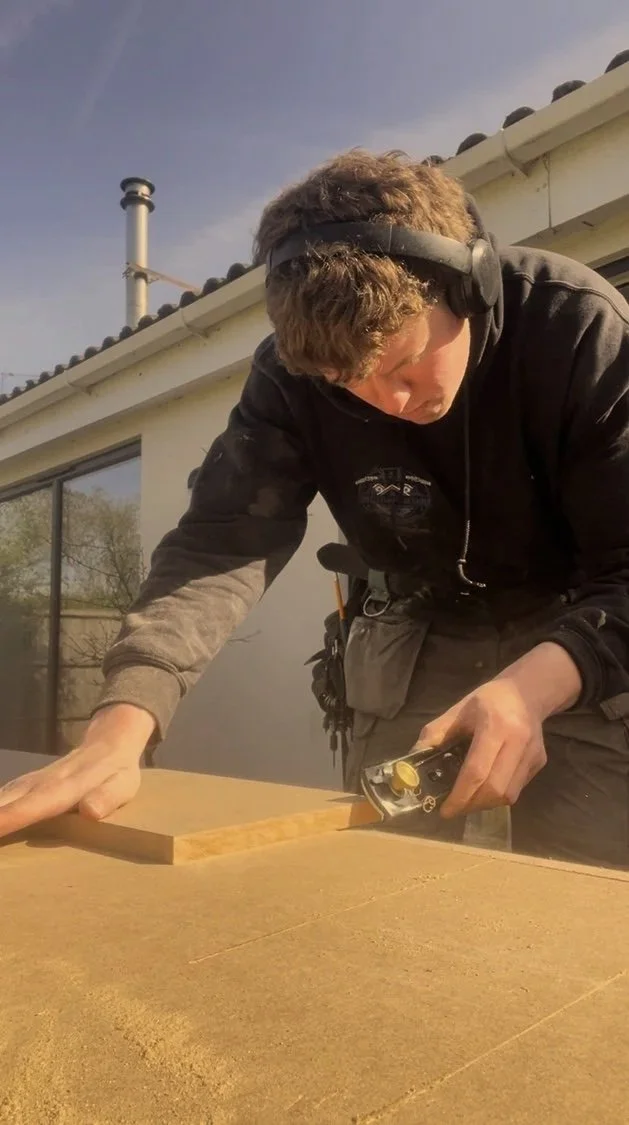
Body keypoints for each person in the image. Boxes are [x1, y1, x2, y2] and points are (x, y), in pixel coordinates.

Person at [2, 149, 629, 868]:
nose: (388, 405)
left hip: (582, 631)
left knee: (584, 883)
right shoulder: (290, 377)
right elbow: (218, 543)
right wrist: (118, 730)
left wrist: (532, 685)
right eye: (345, 383)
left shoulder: (578, 327)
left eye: (400, 365)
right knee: (383, 881)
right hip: (415, 630)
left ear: (472, 285)